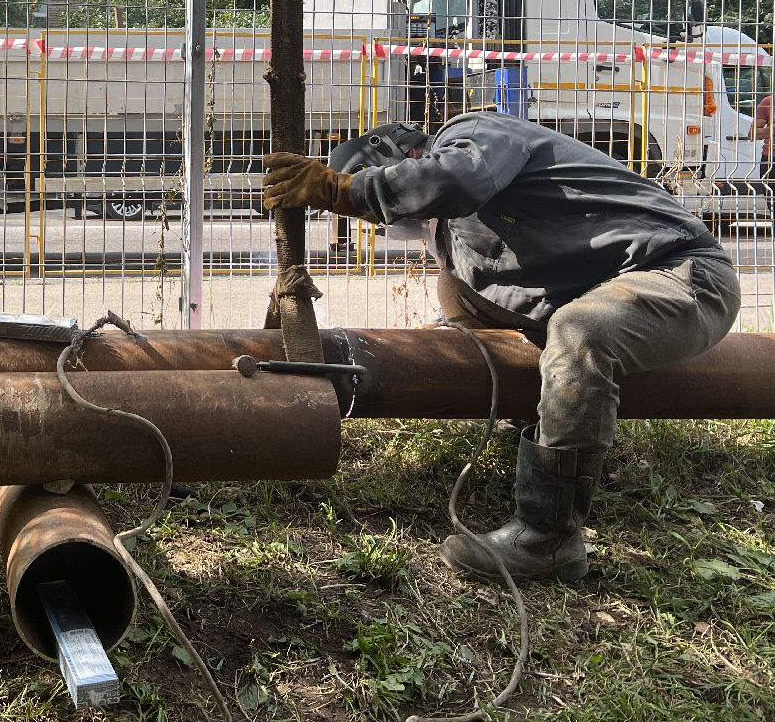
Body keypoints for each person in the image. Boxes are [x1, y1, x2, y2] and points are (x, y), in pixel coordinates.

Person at [263, 113, 742, 583]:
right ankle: (552, 435)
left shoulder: (473, 133)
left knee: (580, 331)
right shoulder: (460, 238)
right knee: (458, 290)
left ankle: (547, 539)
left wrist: (344, 191)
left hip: (681, 274)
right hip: (624, 283)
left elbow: (459, 179)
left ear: (403, 156)